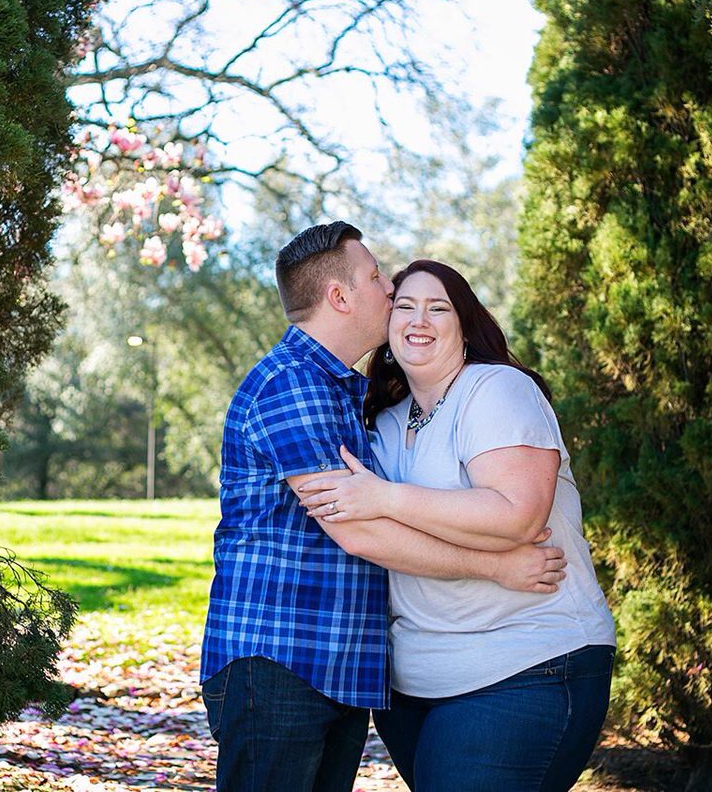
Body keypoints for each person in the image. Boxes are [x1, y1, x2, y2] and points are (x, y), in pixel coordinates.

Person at [200, 227, 571, 792]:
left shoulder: (347, 393)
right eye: (375, 276)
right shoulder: (291, 385)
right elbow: (359, 532)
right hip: (279, 662)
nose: (389, 286)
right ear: (340, 298)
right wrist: (496, 566)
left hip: (335, 665)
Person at [298, 259, 618, 792]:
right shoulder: (384, 419)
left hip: (525, 666)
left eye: (438, 307)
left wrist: (387, 497)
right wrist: (490, 564)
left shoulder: (496, 391)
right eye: (404, 305)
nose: (419, 318)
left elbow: (517, 515)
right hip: (412, 692)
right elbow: (378, 536)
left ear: (465, 325)